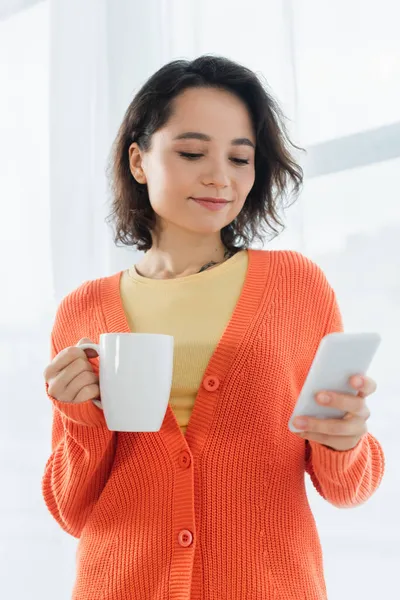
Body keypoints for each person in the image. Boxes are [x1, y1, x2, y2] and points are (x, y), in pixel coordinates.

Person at [42, 55, 385, 600]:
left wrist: (346, 442)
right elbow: (71, 511)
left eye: (240, 158)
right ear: (138, 160)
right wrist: (82, 420)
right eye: (192, 152)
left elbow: (346, 489)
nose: (220, 177)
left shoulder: (297, 286)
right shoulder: (82, 309)